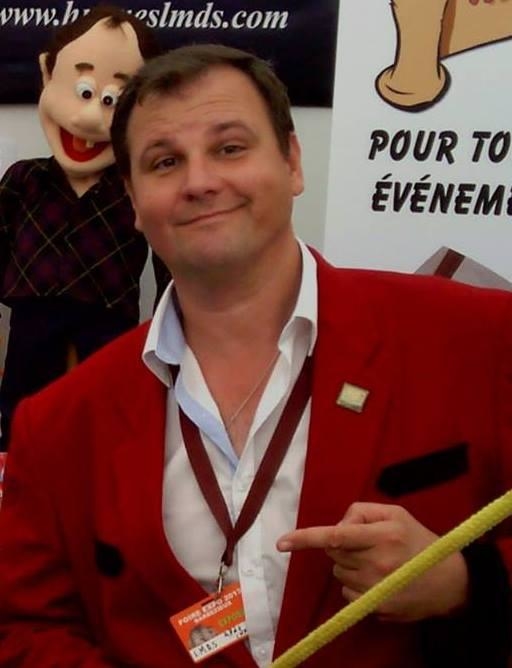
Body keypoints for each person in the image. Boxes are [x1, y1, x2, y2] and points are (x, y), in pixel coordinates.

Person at [0, 44, 510, 668]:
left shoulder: (479, 336)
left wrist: (467, 582)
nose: (200, 182)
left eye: (230, 148)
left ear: (292, 162)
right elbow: (26, 628)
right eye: (164, 162)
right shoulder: (56, 423)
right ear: (132, 200)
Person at [0, 5, 169, 451]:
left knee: (104, 416)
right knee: (22, 412)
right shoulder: (23, 179)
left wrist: (178, 327)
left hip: (109, 320)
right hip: (33, 314)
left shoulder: (139, 188)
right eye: (83, 91)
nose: (92, 118)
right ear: (47, 74)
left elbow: (171, 262)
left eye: (112, 99)